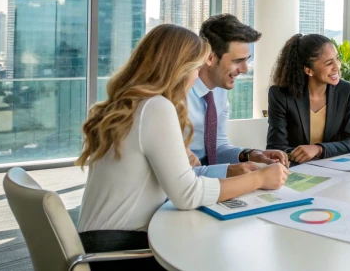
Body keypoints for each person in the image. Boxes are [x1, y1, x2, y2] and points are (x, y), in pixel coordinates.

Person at [76, 24, 290, 270]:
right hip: (123, 251)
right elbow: (187, 195)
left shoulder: (130, 105)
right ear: (179, 69)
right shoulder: (156, 107)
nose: (198, 76)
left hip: (96, 245)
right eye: (197, 68)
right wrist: (260, 179)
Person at [188, 14, 289, 178]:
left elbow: (217, 146)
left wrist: (251, 154)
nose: (244, 69)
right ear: (210, 58)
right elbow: (174, 172)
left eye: (247, 60)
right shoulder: (177, 97)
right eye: (237, 61)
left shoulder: (219, 92)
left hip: (204, 182)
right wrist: (227, 171)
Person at [267, 34, 350, 164]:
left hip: (335, 169)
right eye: (328, 63)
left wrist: (319, 149)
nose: (337, 67)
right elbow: (275, 147)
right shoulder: (280, 95)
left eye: (337, 59)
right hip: (295, 171)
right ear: (309, 70)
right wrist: (299, 155)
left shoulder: (345, 90)